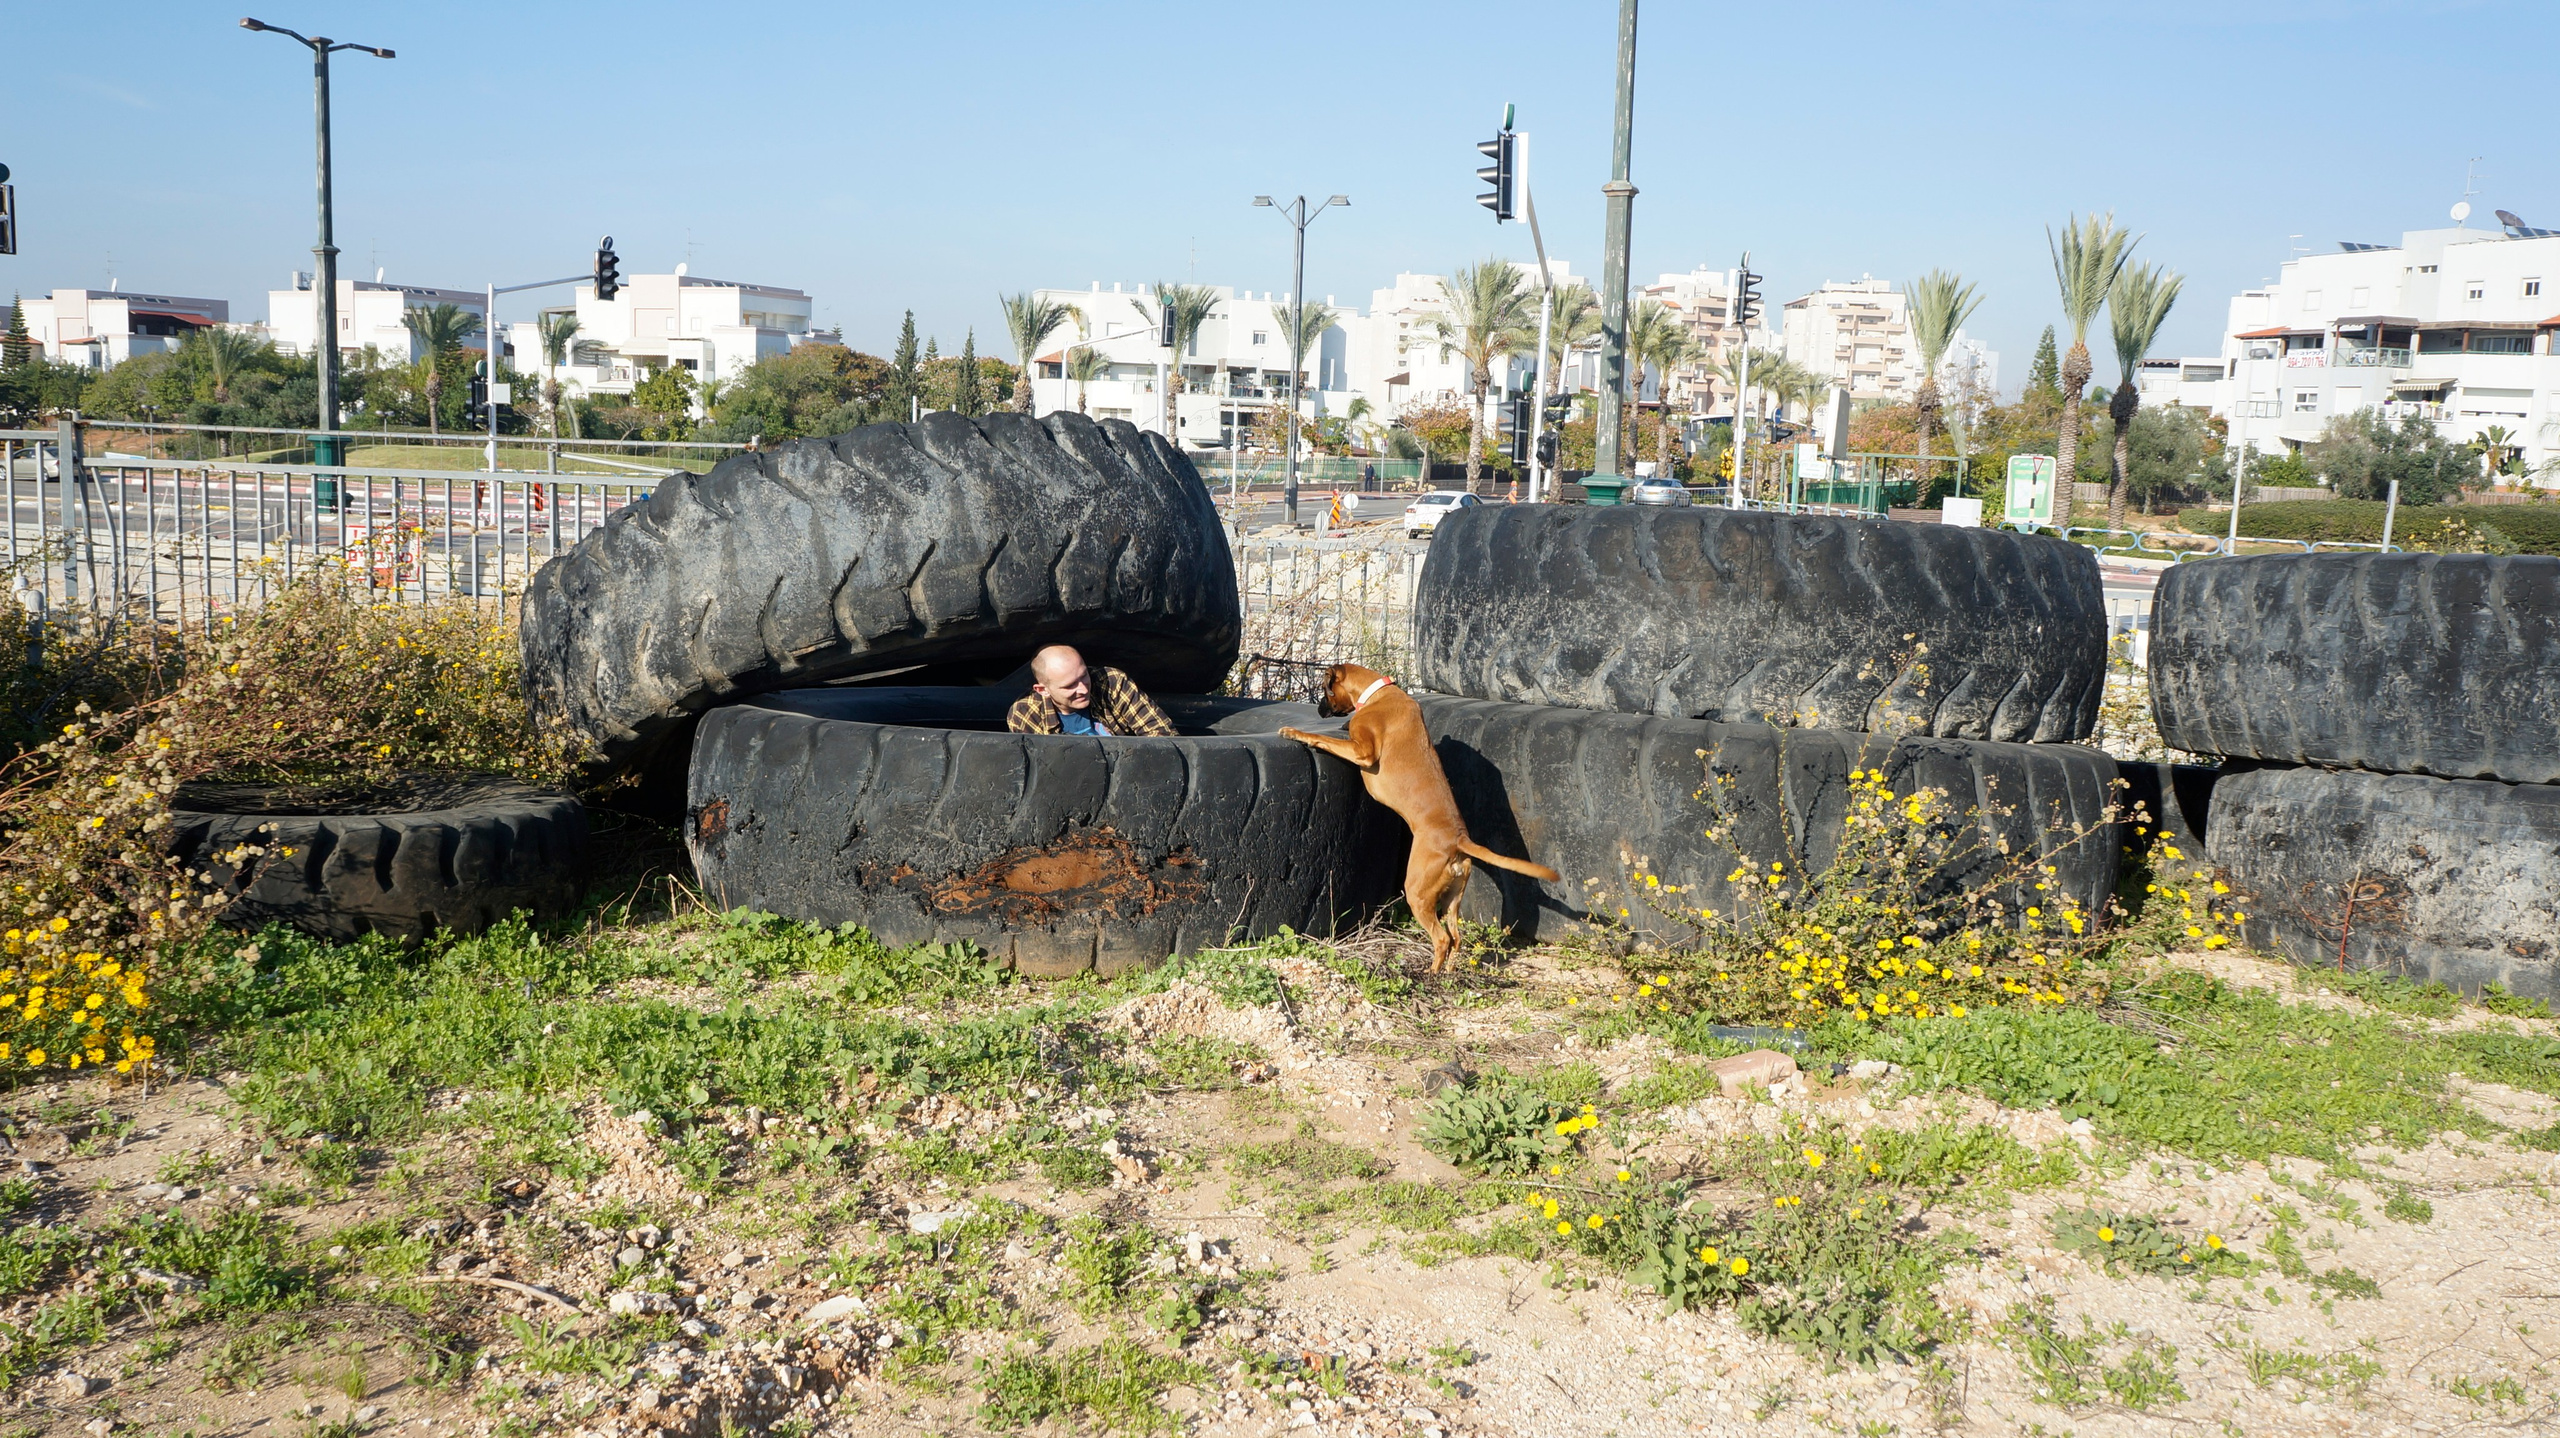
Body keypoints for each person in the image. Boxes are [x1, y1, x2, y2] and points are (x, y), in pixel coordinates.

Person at [1005, 644, 1177, 737]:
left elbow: (1162, 736)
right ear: (1043, 690)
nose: (1082, 688)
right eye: (1069, 685)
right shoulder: (1026, 713)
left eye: (1084, 676)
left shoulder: (1111, 682)